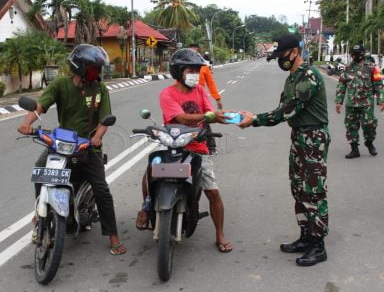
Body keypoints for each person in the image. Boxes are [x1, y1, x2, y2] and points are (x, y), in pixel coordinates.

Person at [18, 44, 126, 255]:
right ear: (81, 67)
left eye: (98, 68)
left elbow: (105, 119)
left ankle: (112, 235)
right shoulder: (60, 85)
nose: (97, 72)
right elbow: (40, 106)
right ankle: (40, 216)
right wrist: (27, 123)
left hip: (88, 147)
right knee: (40, 170)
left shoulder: (100, 89)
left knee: (102, 189)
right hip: (62, 143)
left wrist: (96, 137)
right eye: (94, 68)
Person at [238, 34, 330, 266]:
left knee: (313, 191)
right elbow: (282, 107)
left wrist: (255, 119)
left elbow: (286, 111)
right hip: (299, 136)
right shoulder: (292, 77)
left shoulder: (309, 75)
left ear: (295, 52)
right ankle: (305, 236)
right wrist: (254, 118)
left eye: (282, 55)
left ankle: (318, 245)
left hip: (313, 137)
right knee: (298, 189)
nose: (280, 60)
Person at [136, 48, 233, 253]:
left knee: (213, 192)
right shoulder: (167, 93)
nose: (195, 75)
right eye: (191, 70)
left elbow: (211, 112)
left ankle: (220, 234)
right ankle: (146, 208)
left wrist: (230, 117)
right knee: (149, 174)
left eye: (197, 71)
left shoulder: (199, 91)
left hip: (198, 146)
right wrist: (209, 116)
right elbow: (180, 118)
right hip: (172, 143)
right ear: (178, 71)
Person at [335, 45, 384, 158]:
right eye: (353, 54)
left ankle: (369, 142)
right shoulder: (347, 68)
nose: (354, 56)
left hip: (366, 103)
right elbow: (342, 84)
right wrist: (339, 101)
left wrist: (381, 100)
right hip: (352, 103)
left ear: (362, 54)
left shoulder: (372, 67)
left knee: (369, 124)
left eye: (357, 54)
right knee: (351, 125)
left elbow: (378, 85)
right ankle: (354, 148)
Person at [189, 44, 223, 155]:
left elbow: (211, 83)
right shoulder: (183, 68)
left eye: (195, 52)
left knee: (204, 122)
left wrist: (217, 98)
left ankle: (211, 146)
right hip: (185, 99)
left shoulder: (204, 67)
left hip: (200, 100)